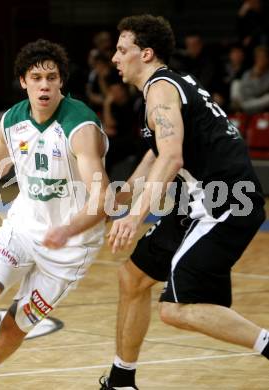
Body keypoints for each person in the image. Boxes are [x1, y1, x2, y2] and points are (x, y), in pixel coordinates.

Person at [99, 15, 266, 390]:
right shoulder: (167, 87)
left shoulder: (160, 90)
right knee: (133, 277)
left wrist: (134, 217)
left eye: (121, 50)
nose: (114, 58)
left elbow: (171, 158)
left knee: (174, 309)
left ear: (145, 53)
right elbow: (154, 154)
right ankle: (121, 380)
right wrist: (122, 197)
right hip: (199, 202)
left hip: (225, 204)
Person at [0, 39, 110, 389]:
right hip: (24, 226)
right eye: (36, 77)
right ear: (23, 81)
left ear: (62, 82)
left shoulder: (80, 127)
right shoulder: (12, 120)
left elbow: (101, 198)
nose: (44, 85)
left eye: (52, 77)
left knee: (16, 324)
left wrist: (69, 229)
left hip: (70, 246)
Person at [230, 45, 269, 114]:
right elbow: (244, 90)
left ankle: (241, 108)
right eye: (258, 57)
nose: (260, 59)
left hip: (257, 103)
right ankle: (240, 108)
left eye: (263, 57)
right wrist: (254, 74)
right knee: (236, 83)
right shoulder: (248, 72)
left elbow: (258, 92)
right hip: (245, 99)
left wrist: (257, 76)